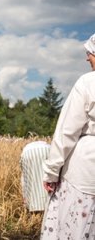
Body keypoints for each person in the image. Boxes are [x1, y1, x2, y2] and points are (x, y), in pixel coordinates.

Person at [41, 33, 95, 239]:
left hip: (85, 173)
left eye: (90, 52)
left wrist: (51, 172)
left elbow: (66, 132)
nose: (87, 58)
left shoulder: (88, 82)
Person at [20, 140, 50, 212]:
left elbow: (23, 177)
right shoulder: (48, 146)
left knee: (28, 179)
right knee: (48, 177)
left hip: (28, 153)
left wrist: (24, 196)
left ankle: (33, 206)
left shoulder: (26, 149)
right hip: (47, 150)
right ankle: (47, 205)